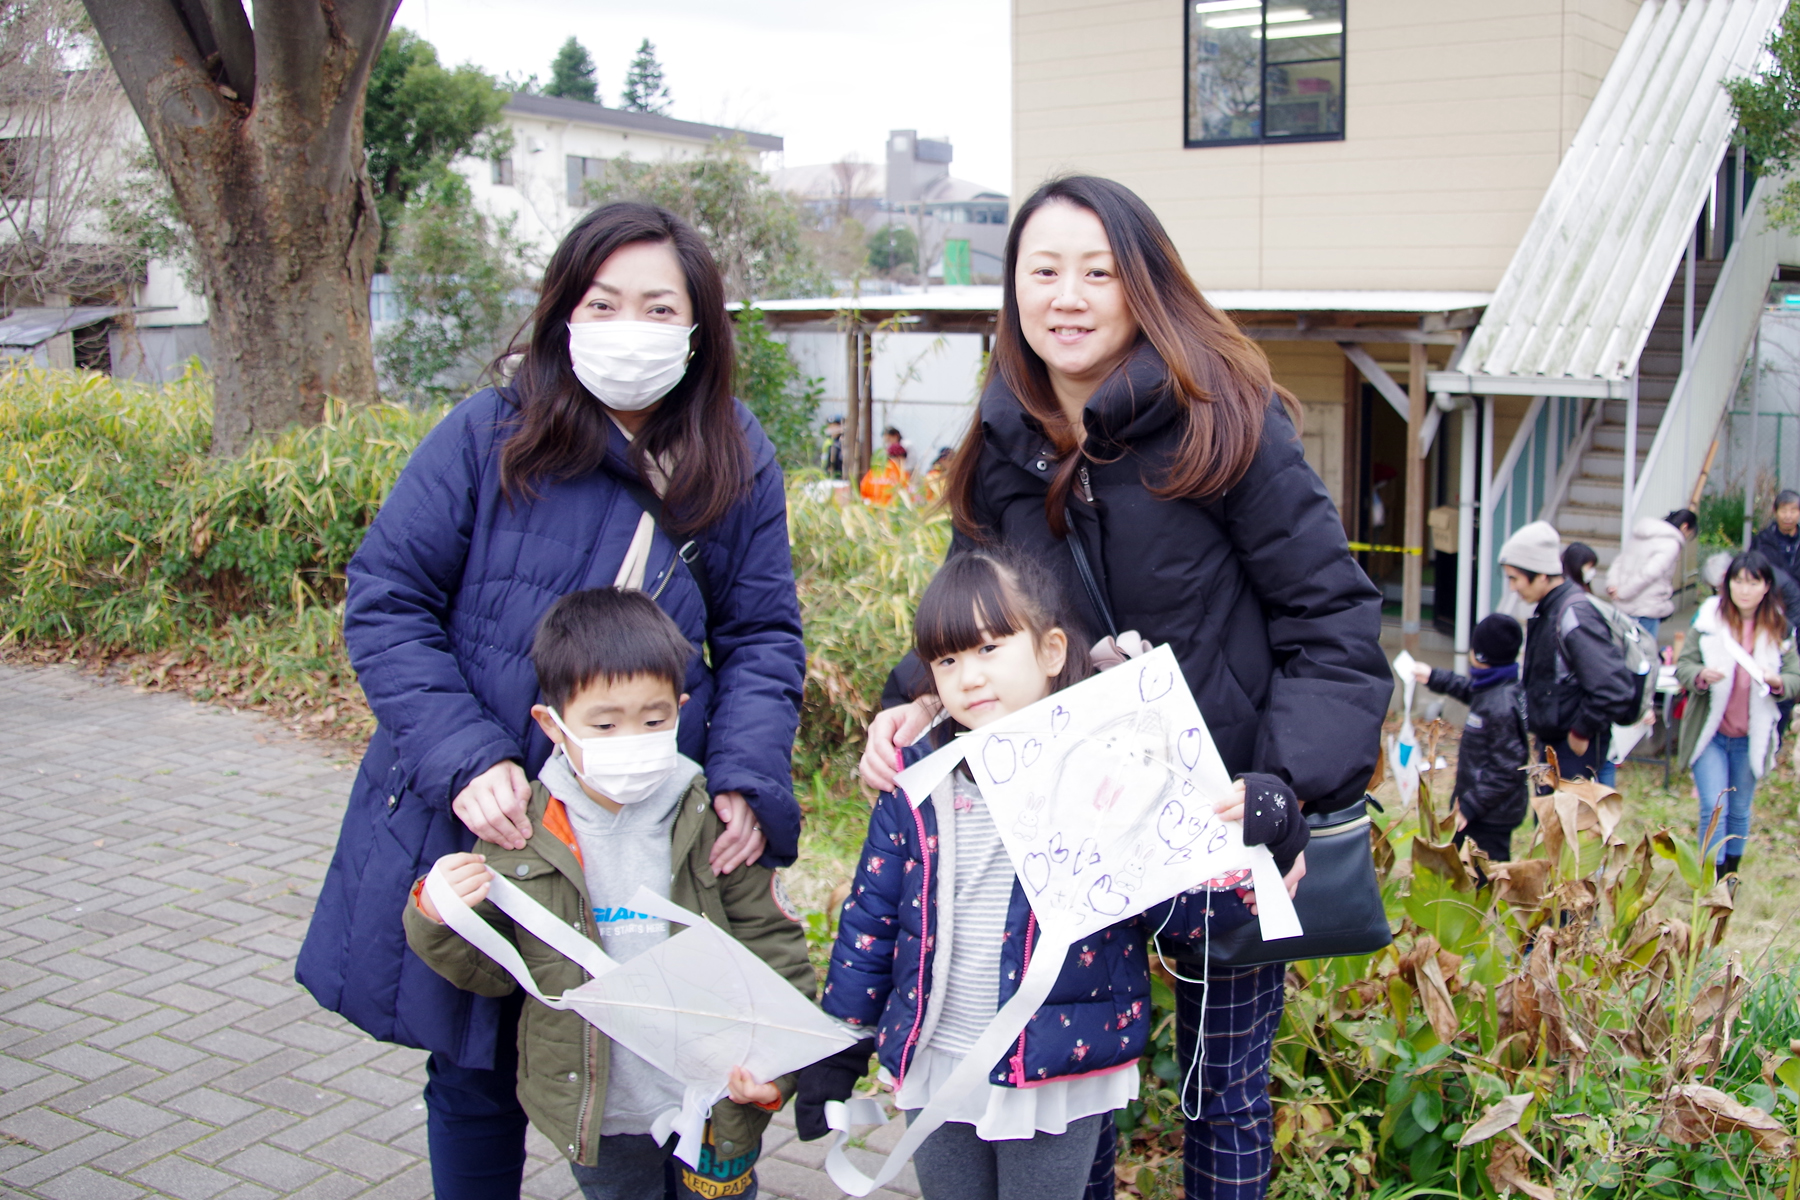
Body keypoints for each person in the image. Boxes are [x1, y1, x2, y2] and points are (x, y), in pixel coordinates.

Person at [855, 175, 1389, 1200]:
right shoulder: (1005, 439)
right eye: (1042, 270)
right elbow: (981, 605)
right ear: (1011, 289)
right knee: (1079, 1084)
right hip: (1068, 823)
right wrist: (910, 695)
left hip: (1214, 821)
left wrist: (1281, 786)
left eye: (1098, 271)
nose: (1068, 295)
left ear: (1142, 283)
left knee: (1218, 1093)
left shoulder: (1224, 420)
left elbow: (1333, 621)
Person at [297, 202, 808, 1200]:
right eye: (605, 301)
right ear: (565, 310)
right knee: (475, 1065)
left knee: (655, 1061)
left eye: (659, 306)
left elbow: (762, 634)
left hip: (646, 822)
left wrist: (745, 777)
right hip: (495, 814)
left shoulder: (731, 451)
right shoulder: (490, 434)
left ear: (698, 325)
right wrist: (469, 756)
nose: (632, 325)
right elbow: (387, 600)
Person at [800, 551, 1308, 1200]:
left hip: (1052, 1067)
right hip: (936, 1058)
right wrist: (839, 1053)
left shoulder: (1104, 772)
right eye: (947, 659)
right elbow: (870, 924)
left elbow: (1187, 907)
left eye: (989, 647)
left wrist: (1273, 824)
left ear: (1049, 650)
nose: (968, 676)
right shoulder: (919, 782)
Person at [406, 589, 808, 1200]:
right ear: (553, 724)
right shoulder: (524, 832)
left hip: (715, 1101)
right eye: (605, 723)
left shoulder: (711, 818)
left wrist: (776, 1063)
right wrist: (439, 917)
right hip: (600, 1113)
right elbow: (494, 975)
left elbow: (772, 945)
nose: (633, 737)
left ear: (679, 709)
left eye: (653, 720)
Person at [1674, 550, 1800, 883]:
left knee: (1740, 811)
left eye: (1752, 582)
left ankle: (1730, 879)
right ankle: (1708, 881)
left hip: (1750, 736)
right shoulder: (1709, 620)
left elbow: (1795, 678)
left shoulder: (1778, 626)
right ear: (1726, 584)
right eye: (1737, 581)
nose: (1744, 590)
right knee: (1714, 809)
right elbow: (1683, 666)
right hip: (1711, 733)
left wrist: (1777, 683)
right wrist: (1701, 674)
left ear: (1766, 586)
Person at [1501, 520, 1637, 782]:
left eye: (1514, 578)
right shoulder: (1552, 608)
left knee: (1571, 823)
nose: (1512, 587)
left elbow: (1614, 687)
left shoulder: (1573, 615)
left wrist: (1581, 732)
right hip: (1554, 741)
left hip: (1574, 749)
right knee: (1550, 820)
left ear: (1541, 575)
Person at [1411, 614, 1529, 868]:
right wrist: (1432, 676)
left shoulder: (1501, 705)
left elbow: (1508, 770)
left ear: (1482, 655)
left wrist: (1470, 806)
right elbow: (1468, 689)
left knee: (1485, 876)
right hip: (1478, 805)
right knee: (1459, 867)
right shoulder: (1493, 686)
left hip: (1490, 814)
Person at [1605, 509, 1695, 641]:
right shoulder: (1671, 544)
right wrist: (1623, 592)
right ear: (1685, 527)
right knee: (1644, 655)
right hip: (1645, 609)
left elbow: (1619, 561)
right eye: (1689, 534)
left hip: (1623, 607)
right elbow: (1649, 573)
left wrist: (1612, 586)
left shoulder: (1641, 535)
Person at [1753, 490, 1800, 580]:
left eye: (1793, 511)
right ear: (1775, 512)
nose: (1788, 516)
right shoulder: (1762, 540)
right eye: (1783, 511)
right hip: (1771, 592)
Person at [821, 415, 845, 479]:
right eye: (830, 426)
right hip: (828, 474)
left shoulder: (843, 442)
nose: (832, 429)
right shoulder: (828, 441)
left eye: (835, 426)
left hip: (839, 475)